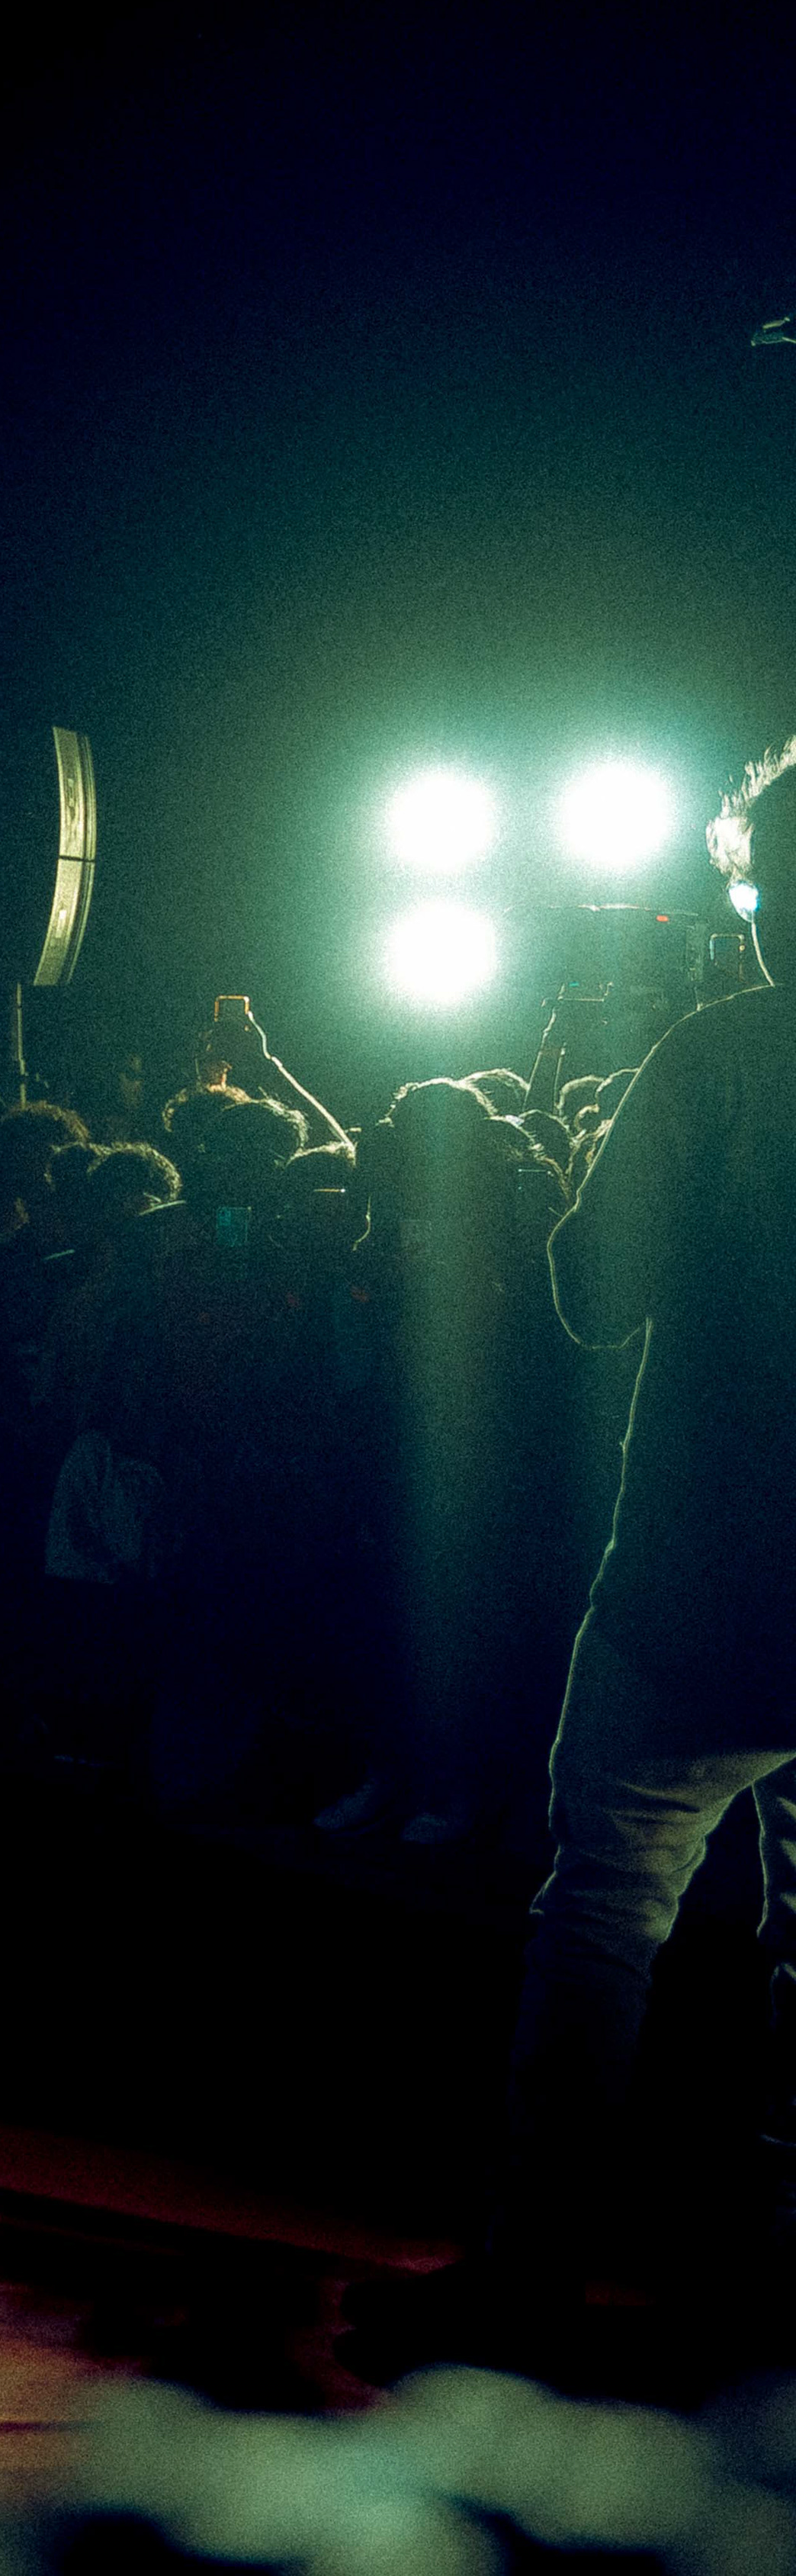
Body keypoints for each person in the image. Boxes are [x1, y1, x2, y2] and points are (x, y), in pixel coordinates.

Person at [469, 733, 796, 2336]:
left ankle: (531, 2276)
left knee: (605, 1914)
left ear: (762, 890)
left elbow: (590, 1300)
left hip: (701, 1579)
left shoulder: (716, 1057)